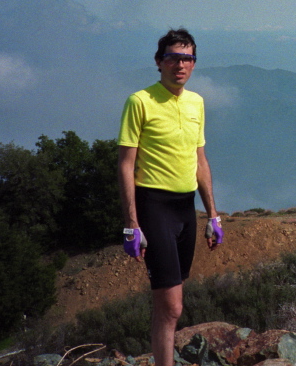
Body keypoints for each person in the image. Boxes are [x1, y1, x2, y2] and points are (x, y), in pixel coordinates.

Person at [117, 28, 223, 366]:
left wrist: (213, 215)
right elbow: (125, 164)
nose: (180, 65)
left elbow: (199, 160)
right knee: (172, 306)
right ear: (159, 62)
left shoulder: (196, 103)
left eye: (187, 59)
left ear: (194, 64)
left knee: (170, 304)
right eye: (173, 58)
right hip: (154, 206)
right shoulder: (140, 101)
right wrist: (131, 224)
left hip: (185, 208)